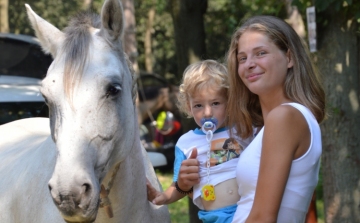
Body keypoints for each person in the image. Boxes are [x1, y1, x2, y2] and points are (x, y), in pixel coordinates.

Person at [177, 15, 326, 223]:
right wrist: (186, 185)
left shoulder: (285, 116)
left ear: (289, 58)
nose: (249, 64)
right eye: (242, 58)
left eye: (261, 53)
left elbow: (263, 218)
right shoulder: (267, 126)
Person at [146, 59, 252, 223]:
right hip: (213, 218)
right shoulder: (186, 143)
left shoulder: (241, 131)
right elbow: (180, 186)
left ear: (229, 102)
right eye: (198, 106)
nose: (207, 112)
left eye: (215, 103)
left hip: (247, 211)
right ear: (189, 107)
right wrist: (164, 197)